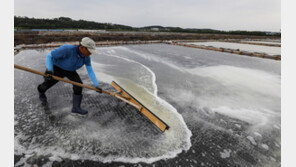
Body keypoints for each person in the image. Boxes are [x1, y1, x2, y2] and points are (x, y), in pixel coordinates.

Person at [37, 37, 102, 116]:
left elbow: (90, 70)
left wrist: (96, 85)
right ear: (82, 48)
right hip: (57, 68)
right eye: (89, 51)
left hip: (70, 71)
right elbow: (49, 56)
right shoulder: (67, 49)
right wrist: (50, 70)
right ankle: (41, 91)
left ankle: (75, 109)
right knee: (47, 84)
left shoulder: (86, 57)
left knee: (78, 85)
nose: (90, 53)